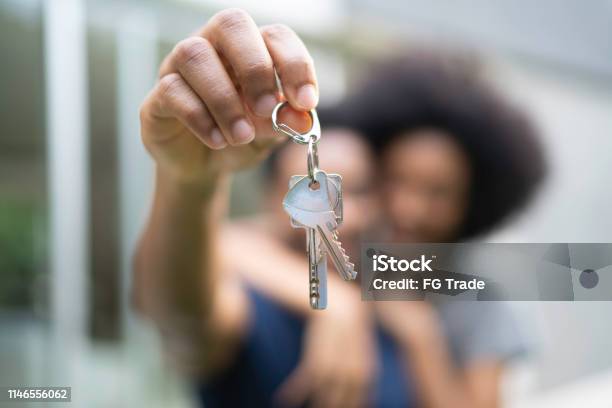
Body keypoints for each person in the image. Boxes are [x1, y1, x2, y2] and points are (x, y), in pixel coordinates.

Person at [134, 8, 545, 407]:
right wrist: (191, 182)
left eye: (438, 193)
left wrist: (417, 333)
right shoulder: (254, 305)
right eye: (315, 190)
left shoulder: (453, 292)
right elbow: (188, 303)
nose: (407, 209)